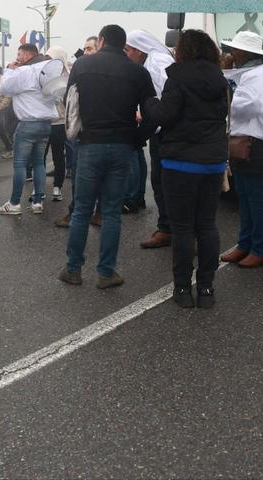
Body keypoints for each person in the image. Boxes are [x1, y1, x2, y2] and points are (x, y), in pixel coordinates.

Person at [61, 25, 158, 289]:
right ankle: (106, 272)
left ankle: (73, 269)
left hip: (89, 144)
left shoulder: (82, 66)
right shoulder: (139, 72)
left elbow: (68, 102)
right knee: (112, 212)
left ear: (101, 40)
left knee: (82, 209)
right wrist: (138, 138)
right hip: (121, 146)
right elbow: (153, 112)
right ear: (124, 45)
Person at [146, 30, 229, 308]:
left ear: (184, 50)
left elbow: (164, 116)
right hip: (213, 161)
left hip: (180, 162)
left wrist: (150, 103)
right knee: (207, 224)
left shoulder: (177, 77)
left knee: (182, 229)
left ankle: (182, 289)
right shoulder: (220, 79)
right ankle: (206, 289)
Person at [220, 32, 263, 269]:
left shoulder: (255, 76)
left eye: (235, 51)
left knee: (255, 198)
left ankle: (259, 248)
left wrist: (226, 85)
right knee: (246, 197)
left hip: (255, 144)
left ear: (246, 53)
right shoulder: (253, 73)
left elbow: (242, 107)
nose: (232, 54)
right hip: (250, 142)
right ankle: (245, 244)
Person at [0, 44, 58, 215]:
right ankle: (38, 202)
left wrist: (9, 70)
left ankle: (14, 203)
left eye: (19, 54)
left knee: (20, 164)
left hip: (28, 124)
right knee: (39, 163)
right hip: (46, 124)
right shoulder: (49, 71)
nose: (18, 57)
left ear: (26, 55)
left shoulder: (26, 71)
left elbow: (4, 88)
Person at [122, 30, 173, 231]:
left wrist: (152, 110)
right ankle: (165, 225)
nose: (126, 54)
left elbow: (168, 92)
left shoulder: (157, 62)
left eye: (128, 50)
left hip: (165, 128)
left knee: (163, 180)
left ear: (139, 50)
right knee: (158, 179)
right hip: (158, 125)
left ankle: (168, 228)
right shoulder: (148, 62)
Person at [45, 46, 72, 202]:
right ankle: (41, 190)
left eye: (51, 57)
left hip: (59, 122)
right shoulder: (48, 74)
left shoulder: (67, 77)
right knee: (42, 156)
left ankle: (57, 188)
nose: (48, 60)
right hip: (48, 121)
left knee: (57, 155)